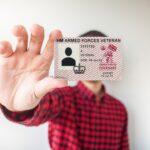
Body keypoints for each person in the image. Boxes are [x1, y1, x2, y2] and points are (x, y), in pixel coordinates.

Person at [0, 24, 129, 150]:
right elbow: (43, 109)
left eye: (99, 54)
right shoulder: (62, 97)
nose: (93, 61)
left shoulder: (119, 109)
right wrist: (21, 108)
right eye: (86, 53)